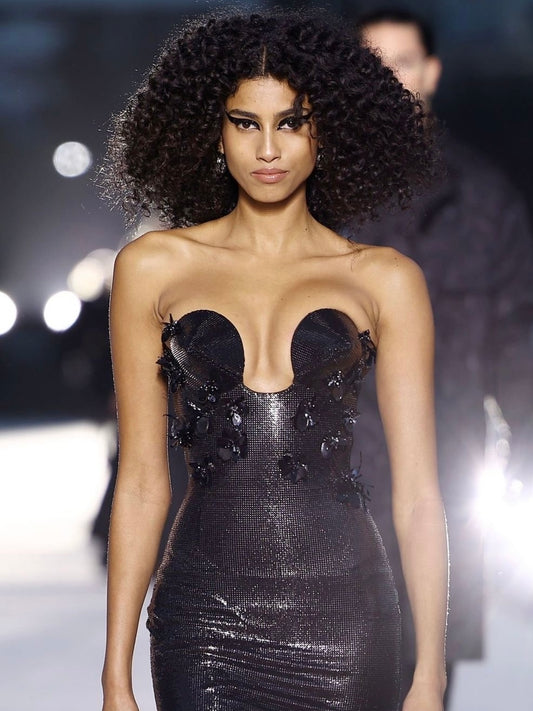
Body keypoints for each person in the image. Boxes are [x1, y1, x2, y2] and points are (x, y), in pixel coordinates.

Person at [100, 10, 449, 711]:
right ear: (214, 132)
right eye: (245, 123)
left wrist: (430, 675)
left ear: (327, 131)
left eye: (291, 122)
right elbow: (140, 484)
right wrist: (114, 677)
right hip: (202, 621)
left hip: (346, 620)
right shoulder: (151, 268)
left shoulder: (384, 280)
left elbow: (417, 495)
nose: (267, 148)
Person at [352, 8, 533, 709]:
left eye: (401, 62)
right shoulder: (308, 195)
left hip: (447, 477)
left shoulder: (483, 200)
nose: (387, 79)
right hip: (331, 491)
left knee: (427, 680)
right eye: (371, 64)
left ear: (430, 72)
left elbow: (516, 337)